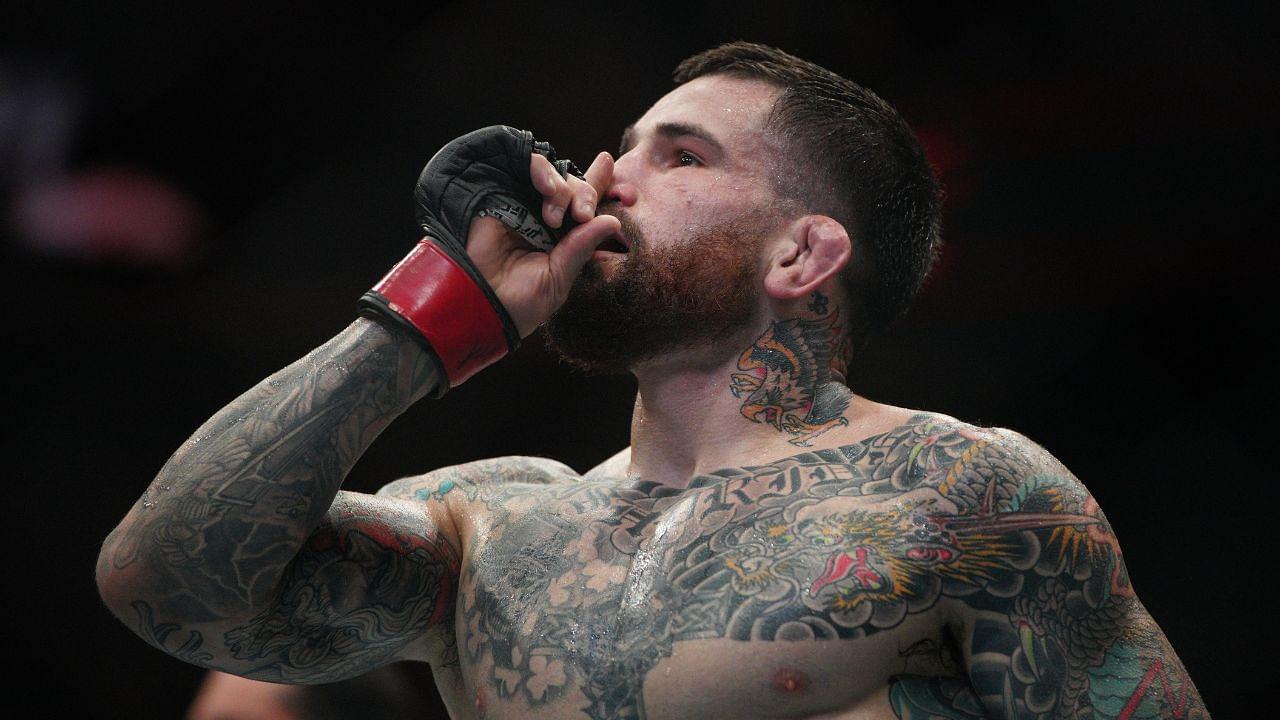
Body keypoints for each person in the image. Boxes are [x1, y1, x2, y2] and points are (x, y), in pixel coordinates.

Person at [96, 42, 1209, 719]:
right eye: (618, 148)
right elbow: (165, 587)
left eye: (678, 157)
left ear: (800, 255)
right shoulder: (493, 522)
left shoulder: (959, 493)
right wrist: (433, 317)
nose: (604, 180)